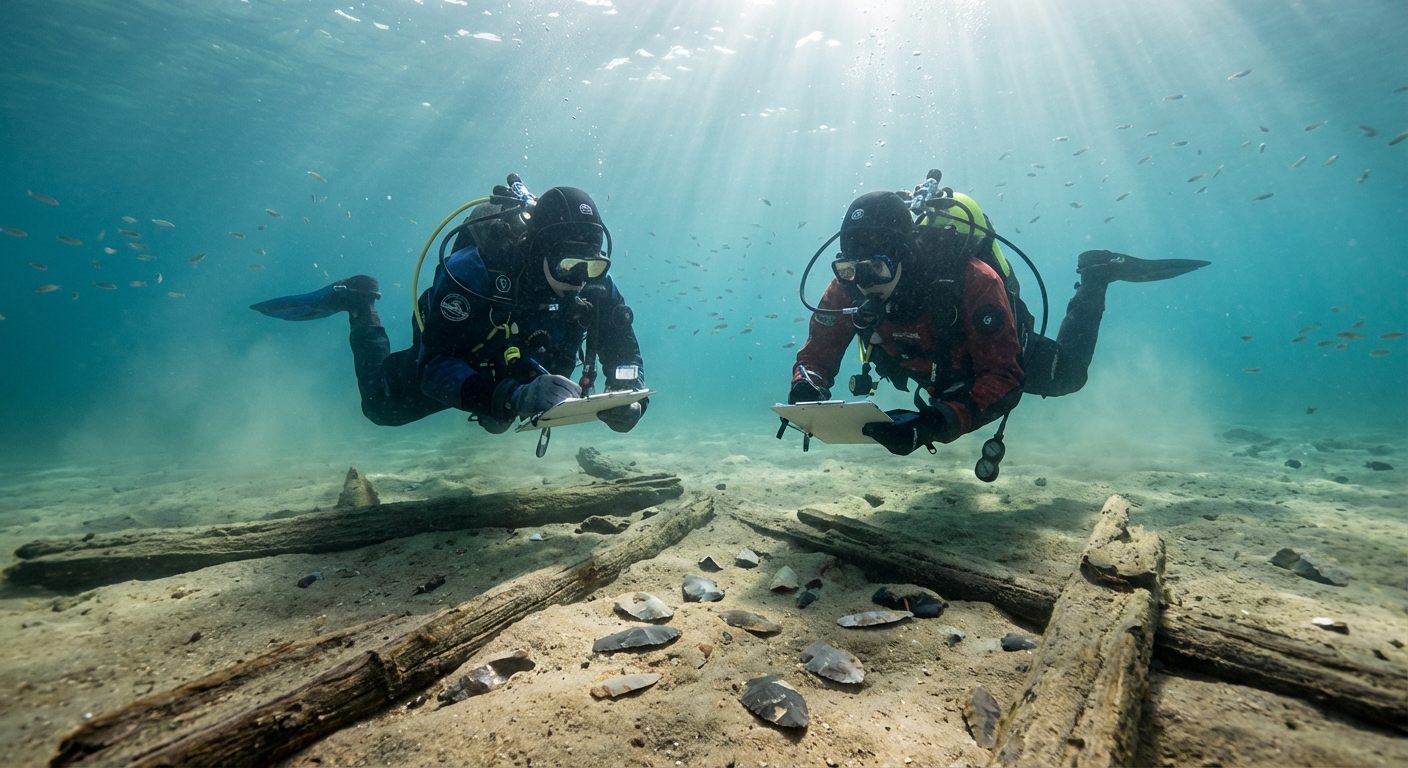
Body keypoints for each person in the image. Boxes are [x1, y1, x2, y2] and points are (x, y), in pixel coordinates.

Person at [787, 181, 1207, 457]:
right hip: (932, 370)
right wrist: (807, 384)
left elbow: (1004, 378)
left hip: (993, 357)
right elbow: (817, 354)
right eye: (849, 270)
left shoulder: (973, 280)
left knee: (1071, 375)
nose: (862, 284)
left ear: (904, 255)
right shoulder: (847, 287)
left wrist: (933, 424)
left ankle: (1095, 278)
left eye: (876, 269)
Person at [251, 184, 648, 435]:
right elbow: (436, 366)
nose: (580, 278)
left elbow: (623, 349)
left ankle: (503, 399)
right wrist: (512, 397)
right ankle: (359, 303)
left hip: (523, 368)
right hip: (464, 357)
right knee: (381, 408)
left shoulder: (595, 283)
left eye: (592, 265)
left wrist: (629, 397)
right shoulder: (473, 271)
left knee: (498, 420)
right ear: (540, 249)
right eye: (567, 265)